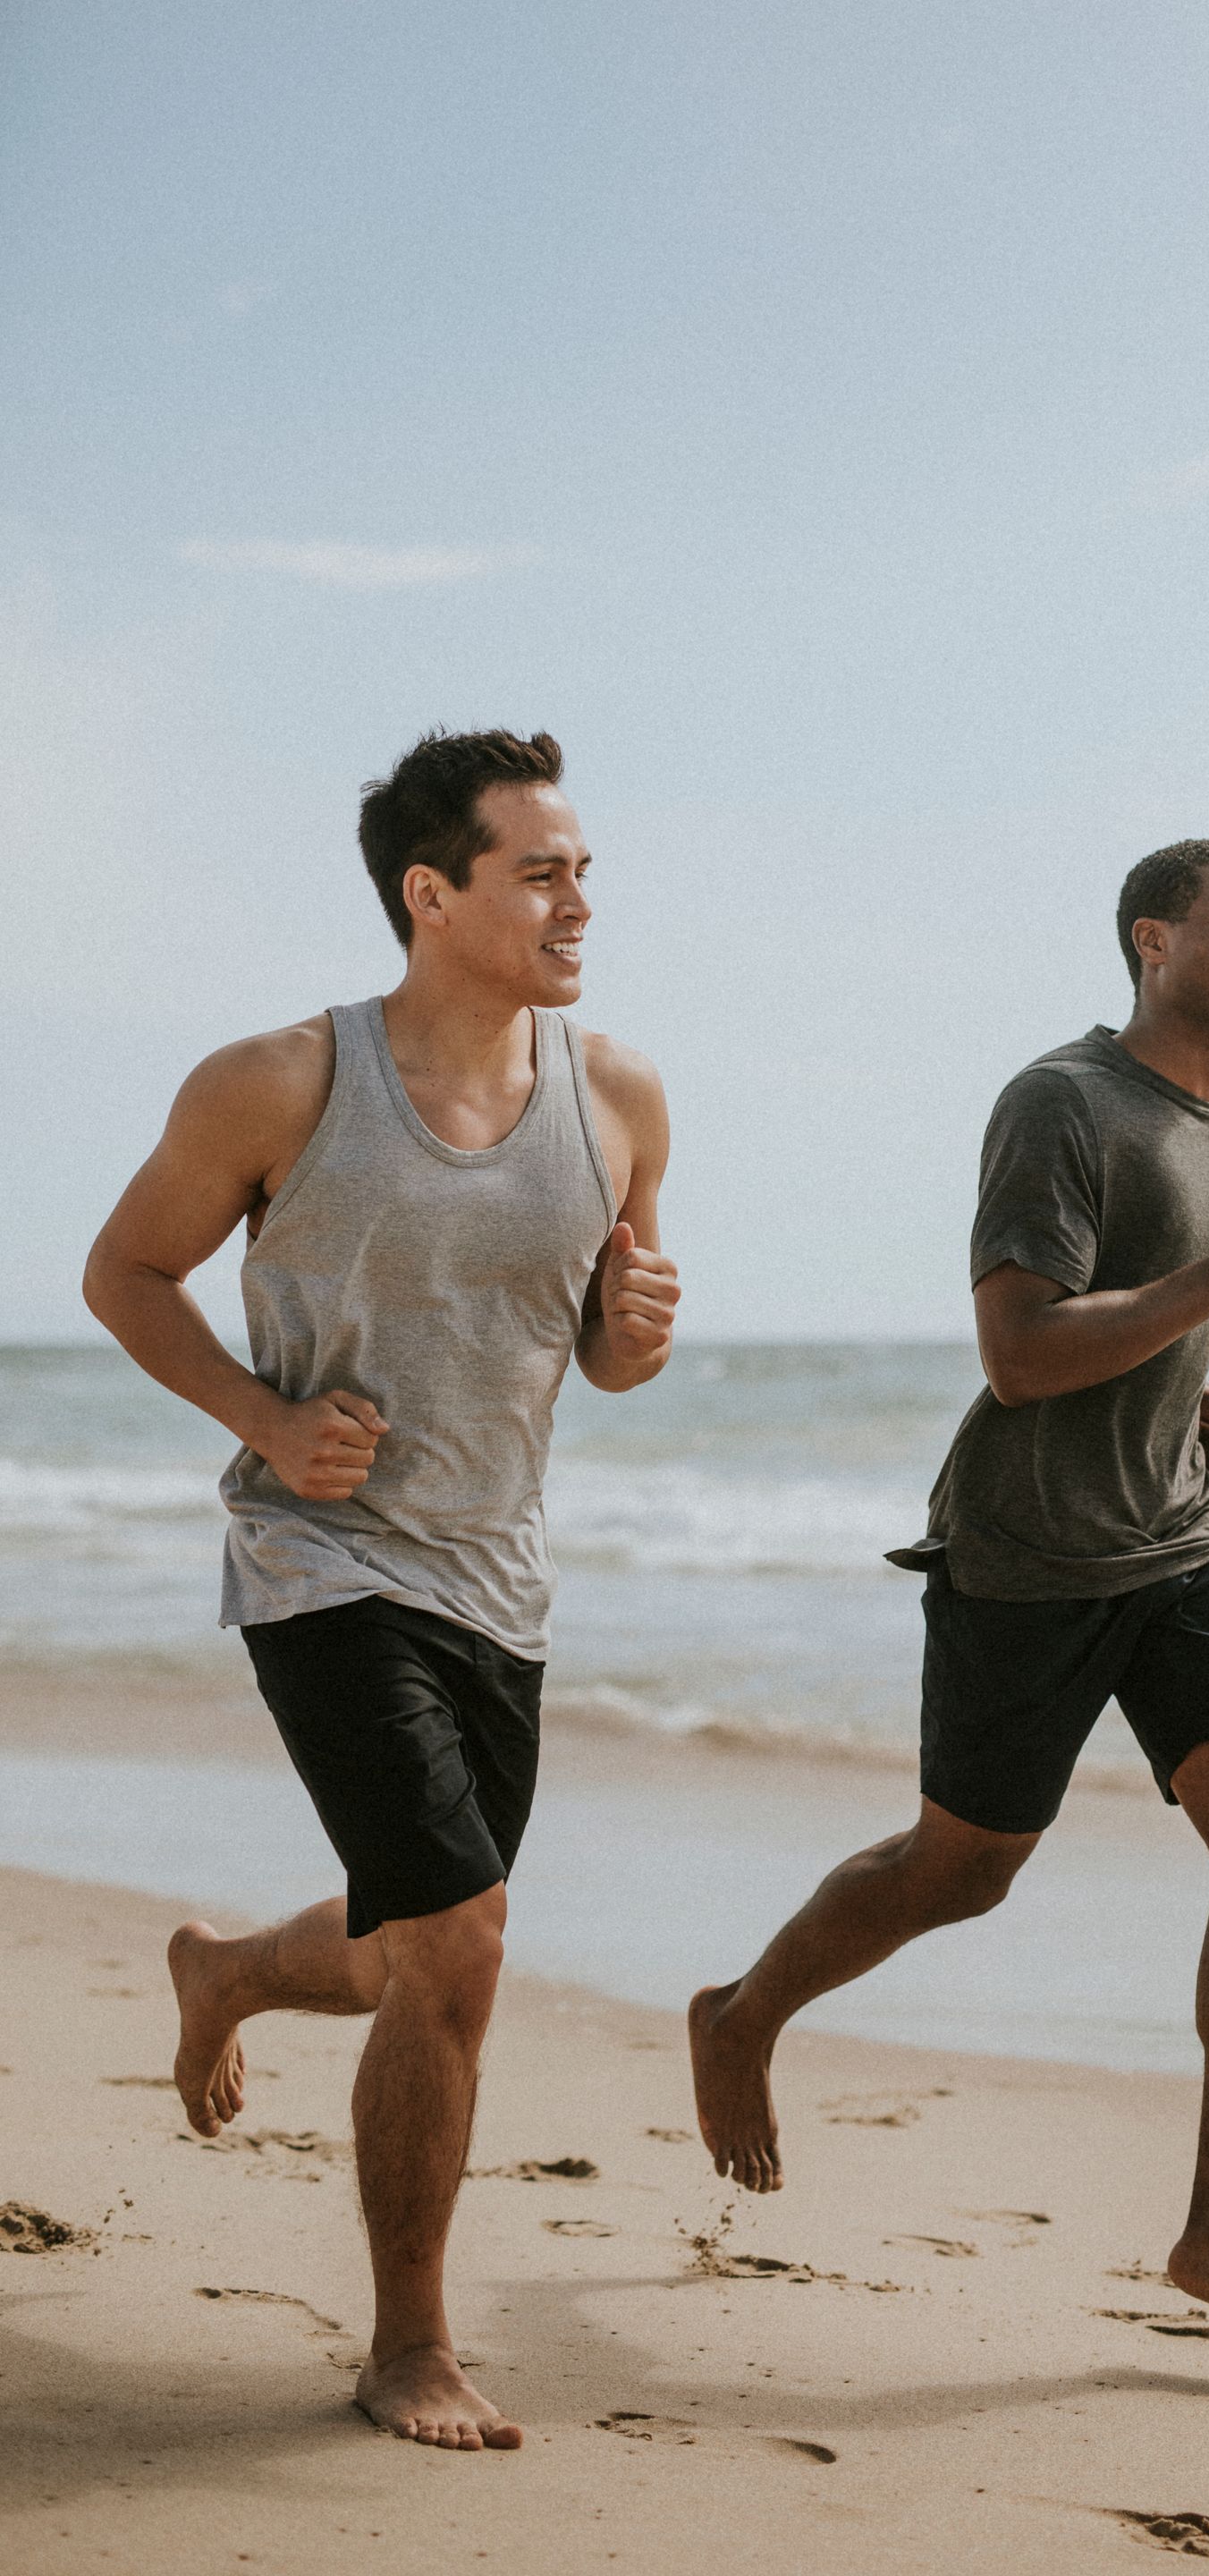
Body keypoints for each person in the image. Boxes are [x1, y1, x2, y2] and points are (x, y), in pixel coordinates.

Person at [690, 836, 1209, 2360]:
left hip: (1180, 1540)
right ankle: (741, 2014)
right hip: (1028, 1554)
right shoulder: (1061, 1103)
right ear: (1151, 940)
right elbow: (1021, 1351)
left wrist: (1187, 1401)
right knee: (963, 1869)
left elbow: (1133, 1333)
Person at [84, 728, 678, 2448]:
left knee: (422, 1943)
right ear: (434, 895)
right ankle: (409, 2340)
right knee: (466, 1940)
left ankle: (231, 1970)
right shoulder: (277, 1083)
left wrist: (634, 1344)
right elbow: (127, 1271)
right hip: (319, 1559)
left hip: (501, 1580)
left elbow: (600, 1350)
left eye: (583, 868)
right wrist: (264, 1416)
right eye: (541, 870)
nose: (580, 898)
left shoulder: (620, 1096)